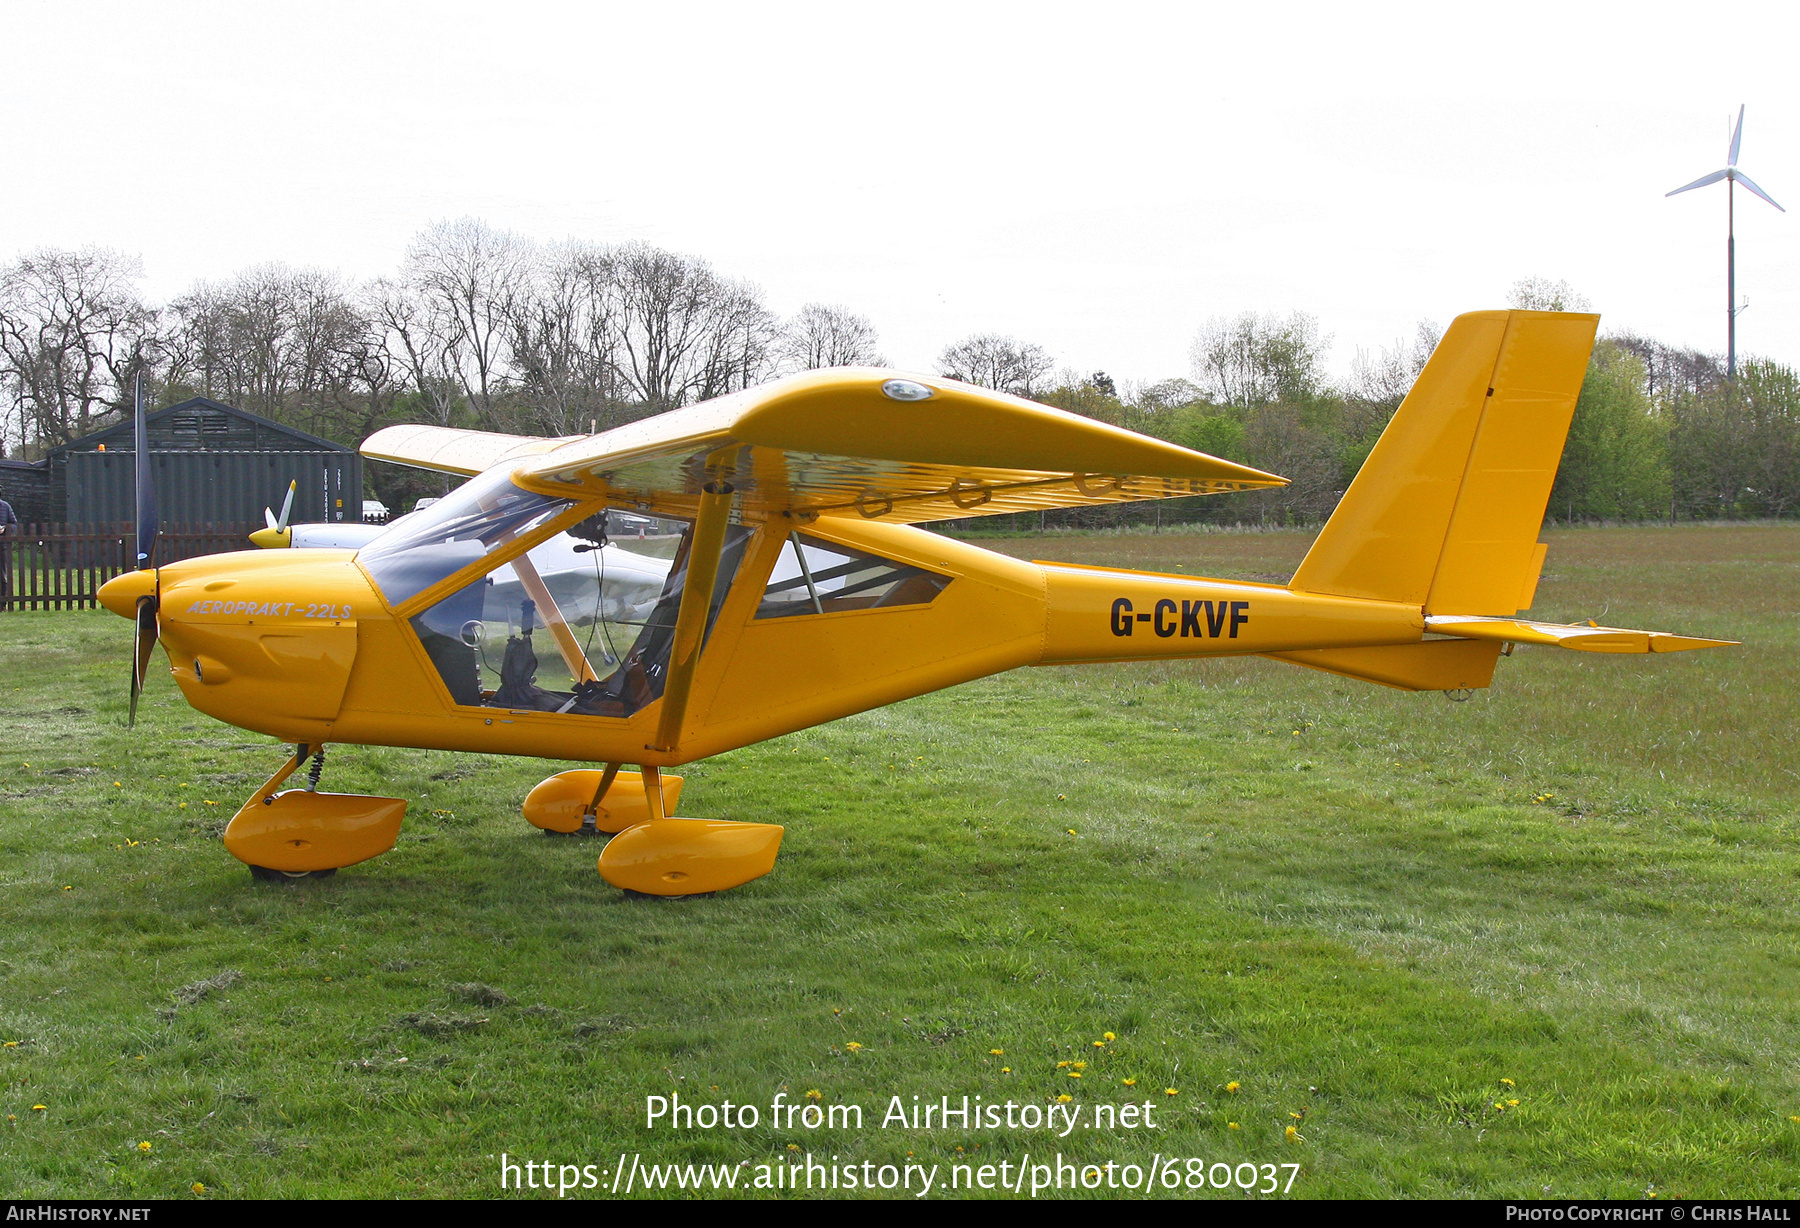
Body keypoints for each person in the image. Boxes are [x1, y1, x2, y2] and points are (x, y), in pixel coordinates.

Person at [0, 485, 15, 603]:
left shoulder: (5, 506)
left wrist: (5, 529)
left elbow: (14, 524)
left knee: (2, 576)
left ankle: (2, 603)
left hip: (2, 546)